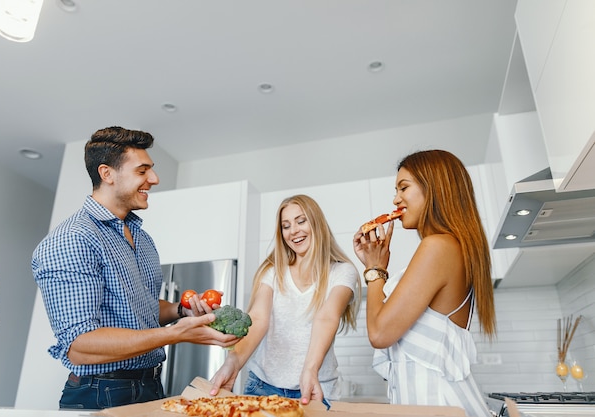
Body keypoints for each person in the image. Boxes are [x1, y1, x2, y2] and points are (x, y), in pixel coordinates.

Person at [32, 126, 239, 410]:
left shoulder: (140, 237)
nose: (154, 179)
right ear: (107, 174)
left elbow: (140, 307)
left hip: (151, 385)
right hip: (102, 391)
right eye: (142, 171)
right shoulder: (73, 239)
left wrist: (182, 310)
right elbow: (80, 345)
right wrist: (176, 333)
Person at [352, 149, 496, 417]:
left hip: (437, 406)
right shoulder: (452, 247)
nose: (396, 199)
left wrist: (374, 269)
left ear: (435, 188)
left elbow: (380, 333)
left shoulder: (438, 246)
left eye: (403, 188)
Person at [209, 194, 361, 406]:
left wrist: (309, 370)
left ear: (316, 222)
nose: (294, 231)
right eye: (286, 226)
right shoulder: (272, 271)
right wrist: (233, 363)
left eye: (301, 221)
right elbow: (258, 319)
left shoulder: (342, 271)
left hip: (318, 388)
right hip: (263, 388)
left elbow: (327, 317)